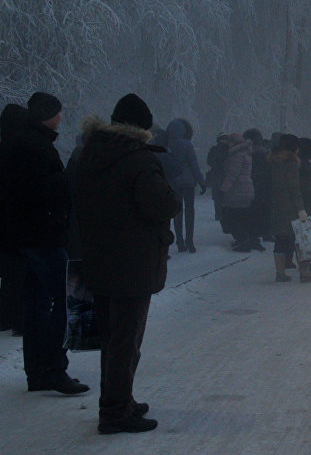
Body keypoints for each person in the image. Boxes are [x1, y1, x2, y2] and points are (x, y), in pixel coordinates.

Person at [75, 93, 181, 434]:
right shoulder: (138, 160)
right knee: (127, 338)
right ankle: (116, 411)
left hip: (100, 257)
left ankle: (119, 400)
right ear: (141, 128)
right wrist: (172, 195)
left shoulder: (89, 153)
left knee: (112, 337)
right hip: (132, 261)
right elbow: (160, 204)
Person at [1, 92, 89, 394]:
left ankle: (37, 371)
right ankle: (54, 368)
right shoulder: (35, 147)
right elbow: (42, 192)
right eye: (58, 112)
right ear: (45, 115)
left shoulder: (22, 143)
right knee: (68, 298)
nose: (61, 117)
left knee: (36, 304)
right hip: (44, 237)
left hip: (28, 237)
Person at [269, 134, 311, 282]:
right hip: (290, 207)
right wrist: (300, 209)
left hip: (276, 206)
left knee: (280, 239)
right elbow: (294, 188)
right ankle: (304, 271)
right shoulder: (291, 164)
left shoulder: (273, 162)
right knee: (300, 238)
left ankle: (280, 272)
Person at [0, 104, 28, 336]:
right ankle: (19, 318)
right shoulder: (22, 152)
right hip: (19, 223)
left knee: (8, 274)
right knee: (20, 275)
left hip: (4, 223)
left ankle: (6, 316)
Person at [165, 119, 206, 253]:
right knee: (190, 210)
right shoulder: (187, 144)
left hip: (174, 181)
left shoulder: (167, 144)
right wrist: (201, 181)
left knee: (177, 212)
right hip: (188, 182)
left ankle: (180, 241)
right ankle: (190, 241)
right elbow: (194, 165)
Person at [219, 134, 256, 251]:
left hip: (237, 190)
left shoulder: (236, 156)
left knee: (234, 217)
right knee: (243, 216)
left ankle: (242, 241)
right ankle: (245, 240)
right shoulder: (247, 154)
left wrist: (223, 189)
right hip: (247, 189)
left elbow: (232, 175)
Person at [244, 128, 270, 249]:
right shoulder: (264, 154)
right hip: (262, 188)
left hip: (250, 187)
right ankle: (256, 237)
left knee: (251, 214)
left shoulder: (247, 154)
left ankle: (252, 238)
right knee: (258, 214)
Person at [205, 133, 229, 222]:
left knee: (217, 196)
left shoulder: (214, 149)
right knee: (225, 196)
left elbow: (209, 161)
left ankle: (219, 214)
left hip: (216, 175)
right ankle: (224, 214)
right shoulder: (229, 150)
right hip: (225, 175)